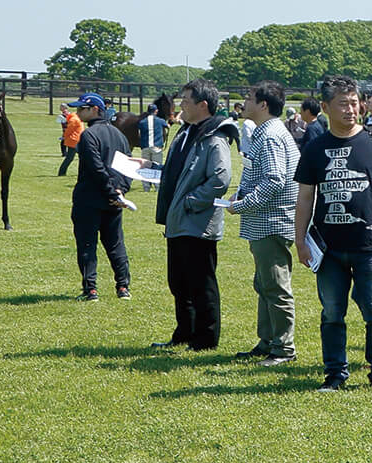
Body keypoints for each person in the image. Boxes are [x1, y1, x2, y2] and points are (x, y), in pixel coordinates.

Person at [294, 76, 372, 393]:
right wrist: (300, 239)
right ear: (326, 107)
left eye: (354, 102)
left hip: (370, 245)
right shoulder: (315, 147)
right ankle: (335, 375)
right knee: (332, 313)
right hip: (328, 248)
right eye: (342, 103)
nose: (351, 109)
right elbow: (305, 198)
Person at [150, 81, 233, 351]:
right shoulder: (185, 132)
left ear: (203, 105)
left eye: (186, 99)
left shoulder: (215, 137)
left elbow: (220, 178)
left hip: (197, 223)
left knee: (201, 284)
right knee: (179, 282)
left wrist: (191, 201)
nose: (180, 104)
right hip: (177, 221)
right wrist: (149, 168)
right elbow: (177, 170)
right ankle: (184, 333)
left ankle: (206, 339)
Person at [224, 81, 302, 365]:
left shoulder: (270, 135)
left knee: (276, 286)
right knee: (265, 284)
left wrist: (242, 204)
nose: (244, 102)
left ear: (264, 105)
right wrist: (241, 194)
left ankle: (283, 348)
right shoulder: (267, 132)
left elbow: (275, 179)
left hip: (271, 222)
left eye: (249, 97)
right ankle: (268, 341)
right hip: (264, 221)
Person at [68, 93, 133, 300]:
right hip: (113, 201)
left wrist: (111, 191)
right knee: (115, 244)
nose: (77, 113)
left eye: (81, 109)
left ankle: (91, 290)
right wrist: (120, 191)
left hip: (90, 198)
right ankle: (123, 287)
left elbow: (95, 168)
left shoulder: (89, 135)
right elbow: (128, 167)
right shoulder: (119, 135)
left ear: (95, 109)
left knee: (87, 244)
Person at [58, 105, 84, 175]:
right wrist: (65, 137)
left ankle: (62, 172)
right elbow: (68, 130)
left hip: (77, 140)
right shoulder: (74, 119)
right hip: (74, 140)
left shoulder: (77, 118)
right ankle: (61, 172)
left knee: (71, 158)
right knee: (70, 158)